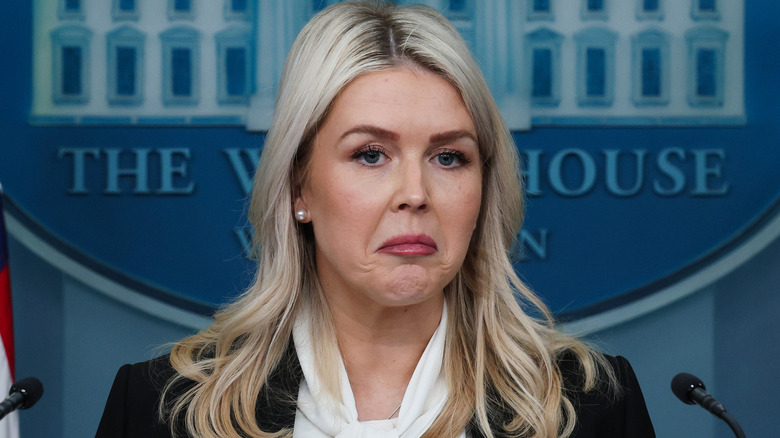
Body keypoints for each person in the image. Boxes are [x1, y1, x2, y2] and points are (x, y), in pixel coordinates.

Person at [96, 1, 655, 437]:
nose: (415, 194)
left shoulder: (590, 405)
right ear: (299, 186)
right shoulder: (162, 408)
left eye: (449, 157)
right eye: (370, 154)